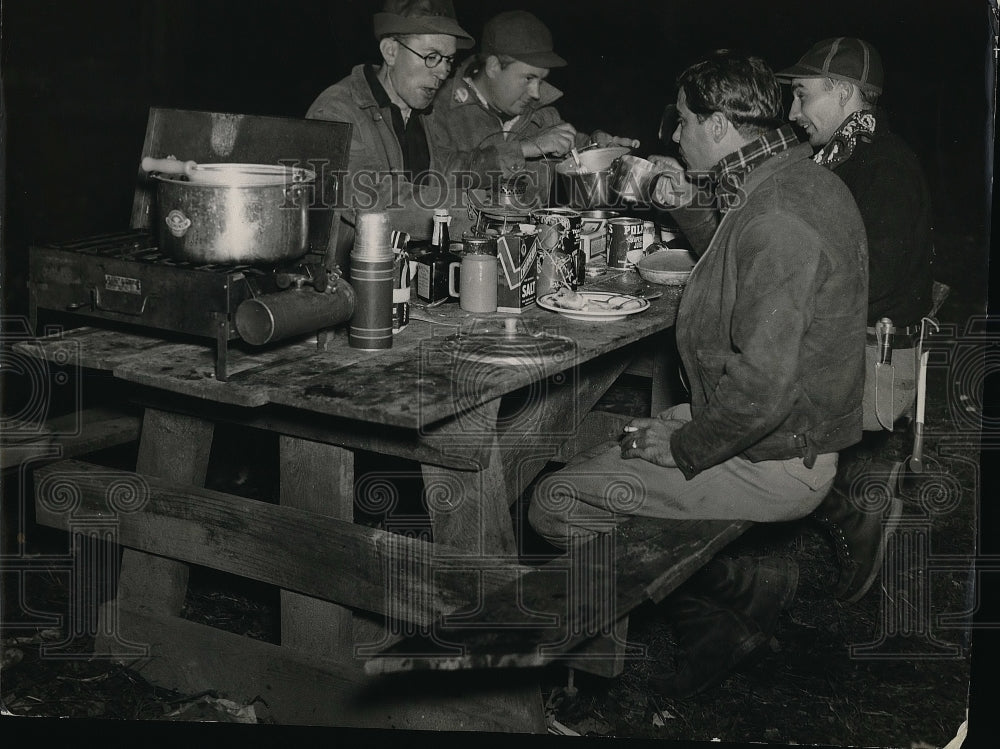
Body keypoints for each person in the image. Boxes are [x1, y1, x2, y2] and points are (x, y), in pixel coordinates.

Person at [528, 51, 868, 698]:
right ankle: (722, 598)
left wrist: (687, 445)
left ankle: (696, 606)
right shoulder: (787, 174)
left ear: (718, 125)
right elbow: (734, 252)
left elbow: (763, 386)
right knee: (625, 442)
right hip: (780, 425)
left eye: (681, 120)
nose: (672, 134)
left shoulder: (778, 217)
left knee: (556, 500)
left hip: (777, 450)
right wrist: (686, 205)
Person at [775, 38, 936, 603]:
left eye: (802, 95)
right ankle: (852, 488)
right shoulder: (841, 156)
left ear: (844, 92)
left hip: (871, 353)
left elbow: (878, 279)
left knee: (748, 399)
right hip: (851, 338)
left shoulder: (883, 165)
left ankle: (857, 501)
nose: (793, 114)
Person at [306, 0, 494, 270]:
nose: (442, 72)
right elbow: (374, 198)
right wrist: (476, 211)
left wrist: (513, 165)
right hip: (346, 284)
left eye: (449, 60)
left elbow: (447, 171)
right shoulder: (336, 111)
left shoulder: (419, 112)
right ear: (390, 51)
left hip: (408, 277)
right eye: (431, 56)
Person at [428, 10, 639, 206]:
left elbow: (574, 150)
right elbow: (438, 175)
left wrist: (598, 148)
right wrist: (523, 149)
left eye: (540, 80)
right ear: (493, 66)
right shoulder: (438, 106)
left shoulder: (541, 114)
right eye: (528, 78)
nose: (536, 93)